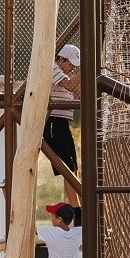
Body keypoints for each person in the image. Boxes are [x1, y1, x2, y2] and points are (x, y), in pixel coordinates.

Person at [45, 44, 82, 204]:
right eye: (70, 64)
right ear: (61, 59)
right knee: (68, 169)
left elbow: (76, 91)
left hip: (63, 123)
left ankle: (78, 207)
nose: (71, 68)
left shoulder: (64, 75)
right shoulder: (54, 70)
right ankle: (77, 210)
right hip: (53, 122)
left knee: (73, 168)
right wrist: (84, 73)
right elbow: (69, 85)